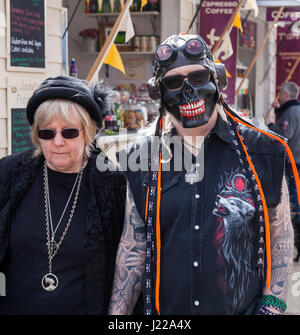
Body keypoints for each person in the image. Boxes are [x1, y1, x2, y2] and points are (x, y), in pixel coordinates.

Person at [108, 34, 298, 315]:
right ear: (158, 94)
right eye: (173, 83)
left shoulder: (263, 150)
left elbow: (279, 233)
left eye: (198, 77)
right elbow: (133, 248)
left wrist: (274, 305)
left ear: (218, 80)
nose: (188, 93)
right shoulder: (144, 158)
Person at [0, 76, 126, 314]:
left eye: (69, 132)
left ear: (88, 133)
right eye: (47, 133)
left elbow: (126, 266)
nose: (57, 142)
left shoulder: (112, 184)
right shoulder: (10, 173)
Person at [268, 82, 300, 262]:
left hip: (293, 164)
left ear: (286, 95)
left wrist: (271, 125)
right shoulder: (294, 110)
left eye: (280, 93)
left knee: (293, 203)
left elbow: (282, 136)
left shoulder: (291, 113)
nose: (278, 96)